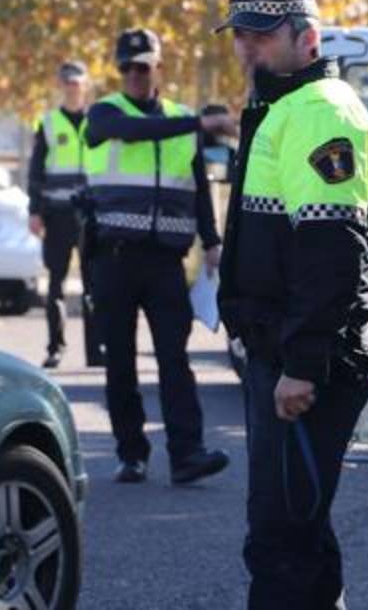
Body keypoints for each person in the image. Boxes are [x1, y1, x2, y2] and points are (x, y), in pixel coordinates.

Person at [215, 0, 368, 609]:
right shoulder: (281, 106)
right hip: (282, 348)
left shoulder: (320, 112)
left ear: (306, 36)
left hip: (305, 358)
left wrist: (303, 364)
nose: (247, 47)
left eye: (261, 34)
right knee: (300, 535)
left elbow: (331, 251)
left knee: (280, 542)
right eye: (239, 34)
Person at [81, 27, 238, 485]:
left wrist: (211, 241)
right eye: (127, 67)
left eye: (143, 66)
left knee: (175, 360)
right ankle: (132, 454)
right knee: (121, 363)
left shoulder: (180, 118)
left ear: (158, 69)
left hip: (165, 261)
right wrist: (201, 124)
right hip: (112, 259)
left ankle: (187, 454)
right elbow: (130, 132)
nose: (134, 75)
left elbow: (200, 189)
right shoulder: (105, 113)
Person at [27, 60, 103, 369]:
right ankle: (55, 348)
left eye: (77, 82)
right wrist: (35, 211)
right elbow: (35, 171)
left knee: (93, 284)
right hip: (57, 214)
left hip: (91, 215)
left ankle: (95, 351)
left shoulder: (100, 121)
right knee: (56, 284)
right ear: (61, 85)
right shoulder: (47, 123)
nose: (72, 87)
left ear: (85, 85)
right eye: (68, 82)